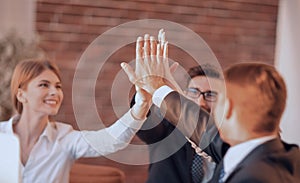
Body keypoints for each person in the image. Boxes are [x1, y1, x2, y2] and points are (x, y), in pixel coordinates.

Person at [121, 31, 300, 182]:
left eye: (214, 96)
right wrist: (163, 92)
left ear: (228, 108)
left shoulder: (253, 176)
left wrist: (160, 88)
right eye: (193, 93)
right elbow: (206, 131)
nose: (200, 102)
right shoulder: (281, 155)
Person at [0, 59, 151, 183]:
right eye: (44, 85)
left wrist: (140, 107)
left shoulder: (64, 137)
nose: (55, 92)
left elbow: (109, 140)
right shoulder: (2, 135)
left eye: (58, 87)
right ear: (21, 95)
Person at [135, 64, 225, 183]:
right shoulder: (167, 126)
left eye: (210, 95)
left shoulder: (226, 137)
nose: (201, 102)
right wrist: (143, 102)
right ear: (184, 95)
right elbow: (147, 125)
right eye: (194, 92)